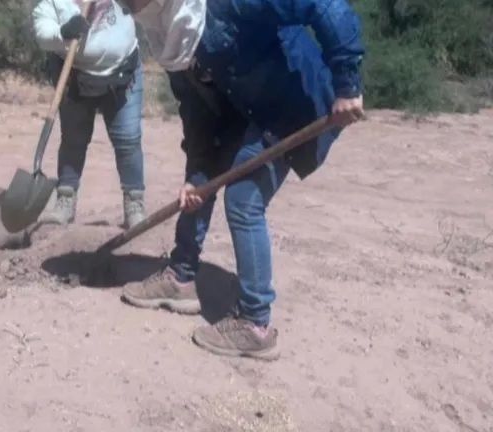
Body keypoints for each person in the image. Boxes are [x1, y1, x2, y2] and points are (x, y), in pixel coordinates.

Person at [117, 0, 366, 358]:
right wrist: (197, 175)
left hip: (293, 104)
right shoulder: (168, 37)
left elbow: (323, 5)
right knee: (200, 178)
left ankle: (255, 324)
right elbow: (197, 112)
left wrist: (347, 82)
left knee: (244, 199)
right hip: (245, 107)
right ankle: (181, 277)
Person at [32, 0, 147, 229]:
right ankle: (65, 199)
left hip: (123, 73)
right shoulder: (54, 3)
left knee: (128, 140)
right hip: (75, 77)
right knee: (73, 140)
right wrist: (61, 32)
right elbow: (42, 31)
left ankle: (134, 204)